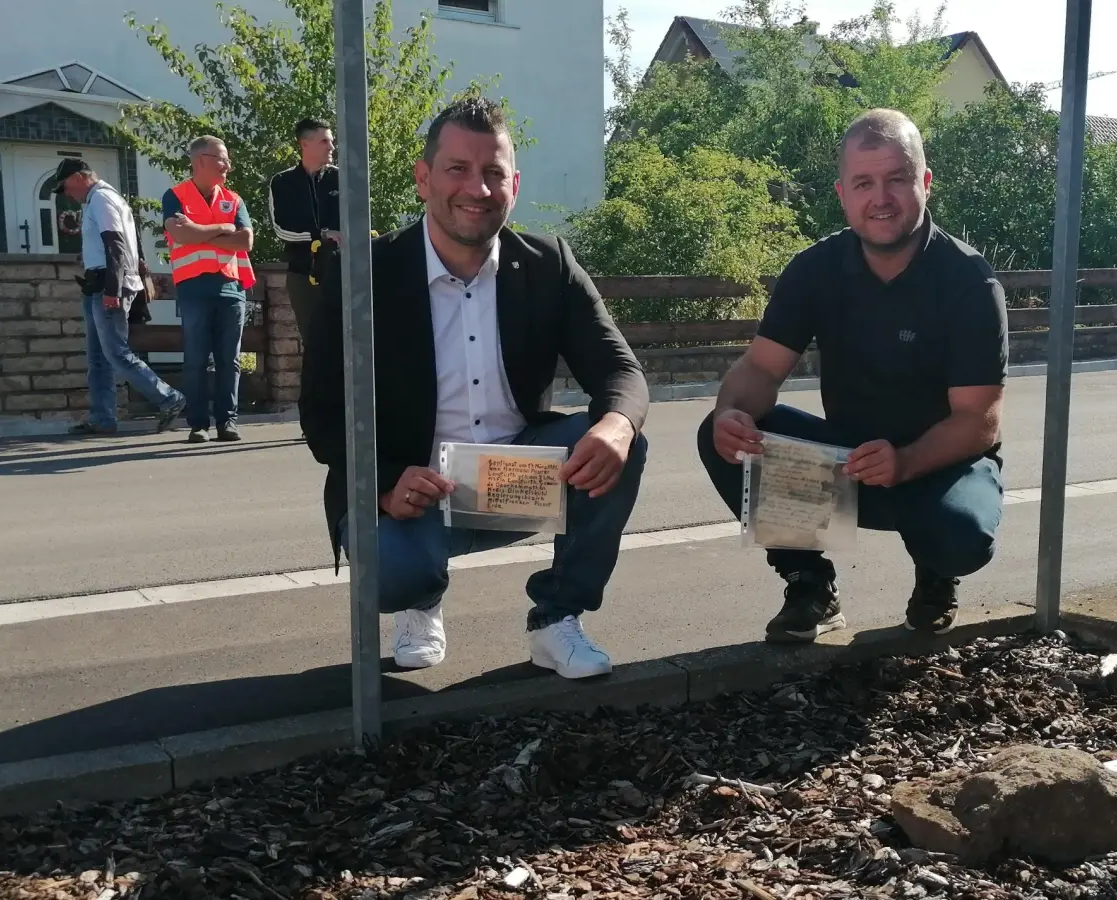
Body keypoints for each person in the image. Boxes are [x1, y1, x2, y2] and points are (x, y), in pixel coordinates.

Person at [299, 97, 650, 680]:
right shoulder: (365, 273)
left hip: (512, 479)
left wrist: (616, 423)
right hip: (411, 486)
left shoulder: (548, 263)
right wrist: (383, 480)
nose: (477, 189)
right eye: (458, 169)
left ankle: (556, 619)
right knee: (393, 573)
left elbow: (621, 370)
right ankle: (420, 599)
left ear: (513, 183)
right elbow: (320, 409)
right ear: (423, 178)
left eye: (493, 173)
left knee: (623, 441)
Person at [697, 108, 1007, 641]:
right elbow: (759, 369)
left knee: (963, 537)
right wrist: (733, 412)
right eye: (864, 183)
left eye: (897, 179)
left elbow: (979, 421)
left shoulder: (969, 282)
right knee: (724, 438)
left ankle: (937, 573)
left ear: (925, 183)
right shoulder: (814, 270)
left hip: (939, 462)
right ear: (843, 194)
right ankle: (810, 584)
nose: (880, 198)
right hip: (848, 456)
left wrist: (906, 461)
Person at [54, 157, 186, 435]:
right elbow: (127, 242)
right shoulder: (105, 198)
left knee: (116, 354)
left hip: (107, 284)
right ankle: (102, 418)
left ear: (79, 177)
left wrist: (112, 290)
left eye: (65, 186)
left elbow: (115, 245)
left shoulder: (101, 199)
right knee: (99, 358)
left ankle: (168, 397)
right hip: (99, 283)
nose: (66, 193)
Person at [162, 135, 256, 443]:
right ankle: (198, 424)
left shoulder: (234, 199)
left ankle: (227, 422)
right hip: (193, 289)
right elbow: (180, 234)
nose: (227, 165)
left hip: (230, 288)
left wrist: (197, 232)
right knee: (196, 359)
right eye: (221, 159)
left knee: (230, 360)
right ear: (200, 160)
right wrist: (221, 228)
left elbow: (245, 241)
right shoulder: (175, 195)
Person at [267, 118, 341, 336]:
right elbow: (281, 229)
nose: (331, 147)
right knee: (314, 340)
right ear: (304, 144)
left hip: (340, 272)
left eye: (331, 141)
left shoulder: (341, 178)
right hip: (302, 274)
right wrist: (322, 234)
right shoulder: (283, 182)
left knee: (346, 339)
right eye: (324, 141)